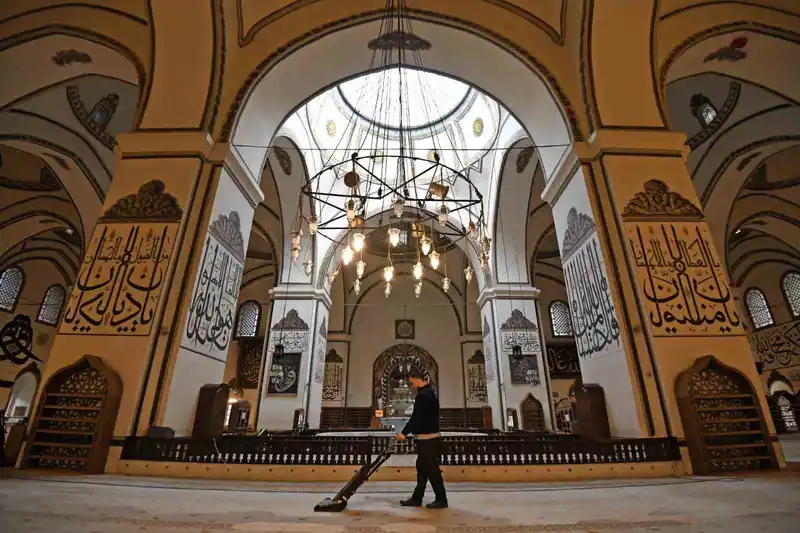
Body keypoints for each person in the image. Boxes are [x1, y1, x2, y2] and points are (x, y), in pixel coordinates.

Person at [395, 369, 448, 509]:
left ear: (416, 379)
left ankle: (441, 499)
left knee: (432, 470)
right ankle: (416, 498)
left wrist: (404, 433)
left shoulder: (423, 395)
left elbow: (417, 418)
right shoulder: (431, 391)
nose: (411, 384)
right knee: (422, 469)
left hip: (427, 439)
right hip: (429, 438)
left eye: (411, 381)